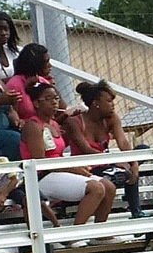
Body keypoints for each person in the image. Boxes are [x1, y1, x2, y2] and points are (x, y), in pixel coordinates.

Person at [20, 81, 116, 242]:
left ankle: (99, 231)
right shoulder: (33, 126)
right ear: (36, 103)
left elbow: (58, 153)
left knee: (109, 187)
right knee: (96, 188)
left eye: (56, 98)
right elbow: (40, 162)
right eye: (48, 99)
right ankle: (73, 234)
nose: (54, 102)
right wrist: (73, 169)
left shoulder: (54, 124)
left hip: (58, 171)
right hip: (42, 176)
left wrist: (74, 168)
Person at [63, 80, 145, 219]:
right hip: (87, 167)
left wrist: (133, 162)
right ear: (96, 103)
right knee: (120, 172)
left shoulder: (111, 118)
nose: (113, 105)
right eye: (109, 101)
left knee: (138, 156)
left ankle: (135, 210)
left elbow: (123, 142)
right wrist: (113, 162)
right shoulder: (74, 122)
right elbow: (86, 149)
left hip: (105, 164)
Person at [0, 145, 59, 227]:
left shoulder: (2, 160)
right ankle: (32, 229)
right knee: (26, 202)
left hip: (22, 183)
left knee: (40, 202)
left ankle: (56, 225)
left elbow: (14, 180)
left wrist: (3, 195)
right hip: (11, 190)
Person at [5, 43, 55, 123]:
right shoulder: (14, 85)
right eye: (46, 62)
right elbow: (12, 117)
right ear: (36, 63)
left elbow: (61, 108)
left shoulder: (44, 82)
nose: (50, 65)